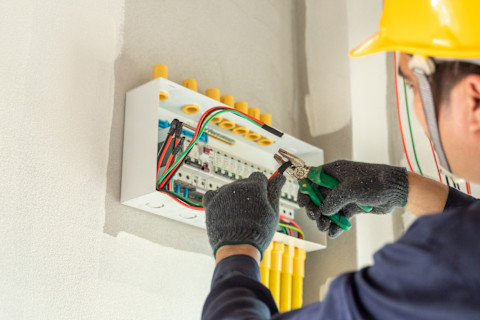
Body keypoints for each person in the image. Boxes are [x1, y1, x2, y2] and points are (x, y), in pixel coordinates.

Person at [201, 1, 480, 319]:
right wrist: (400, 187)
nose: (416, 107)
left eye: (413, 86)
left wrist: (235, 251)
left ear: (474, 97)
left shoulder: (446, 260)